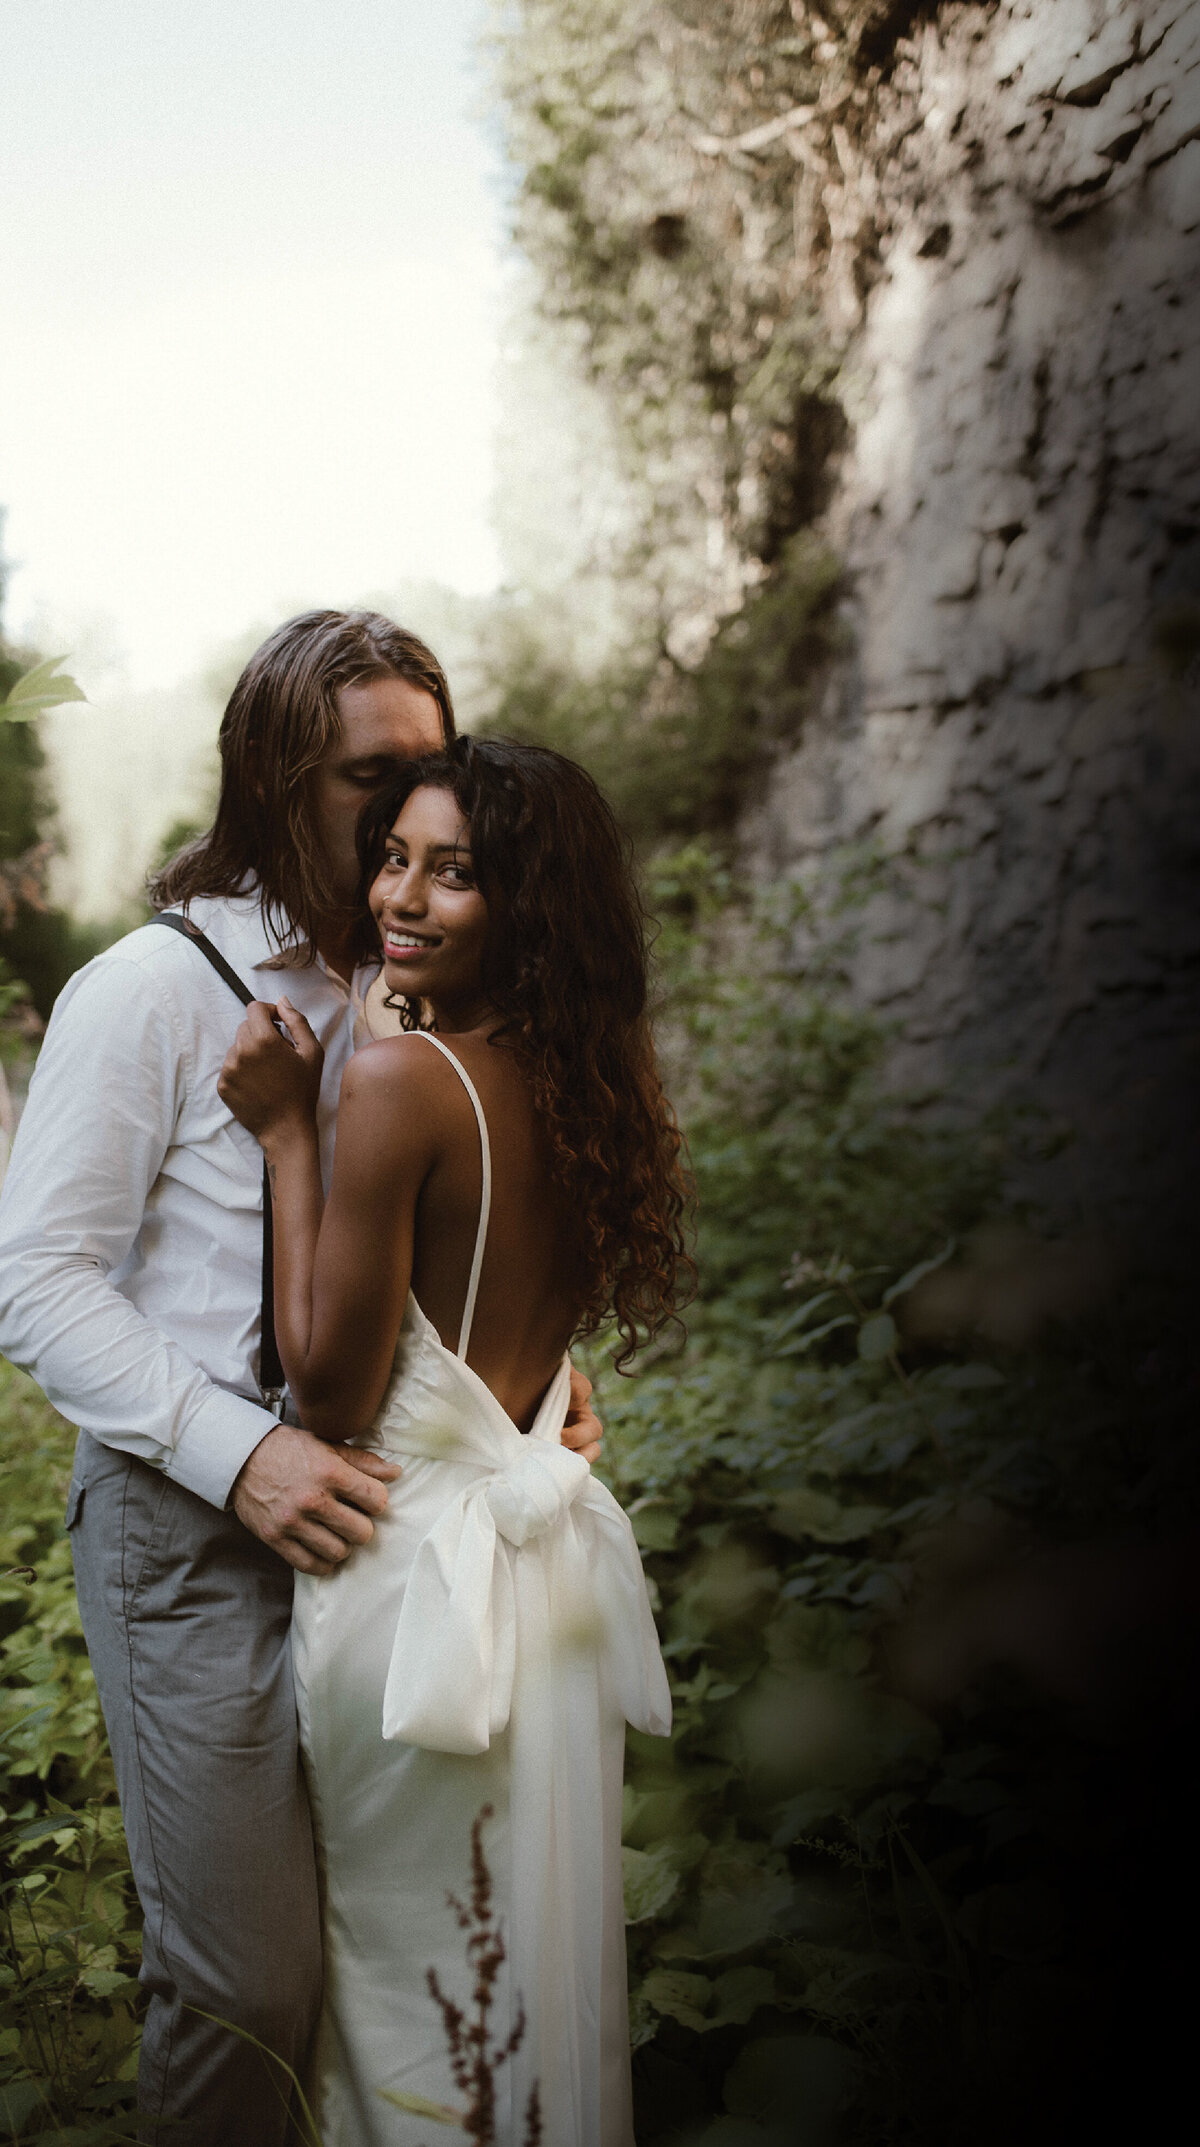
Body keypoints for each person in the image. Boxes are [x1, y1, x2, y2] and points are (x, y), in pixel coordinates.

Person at [0, 613, 602, 2147]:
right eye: (370, 777)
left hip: (403, 1539)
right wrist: (240, 1455)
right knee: (246, 1987)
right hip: (197, 1535)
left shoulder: (411, 977)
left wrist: (527, 1388)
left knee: (394, 1961)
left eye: (434, 769)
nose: (409, 810)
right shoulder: (149, 988)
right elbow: (36, 1280)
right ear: (274, 782)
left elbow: (438, 1220)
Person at [217, 734, 690, 2146]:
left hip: (410, 1585)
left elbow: (331, 1401)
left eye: (456, 874)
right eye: (394, 857)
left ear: (526, 906)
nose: (401, 897)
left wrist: (292, 1134)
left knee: (406, 1986)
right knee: (524, 1966)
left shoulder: (400, 1088)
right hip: (538, 1591)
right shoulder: (593, 1081)